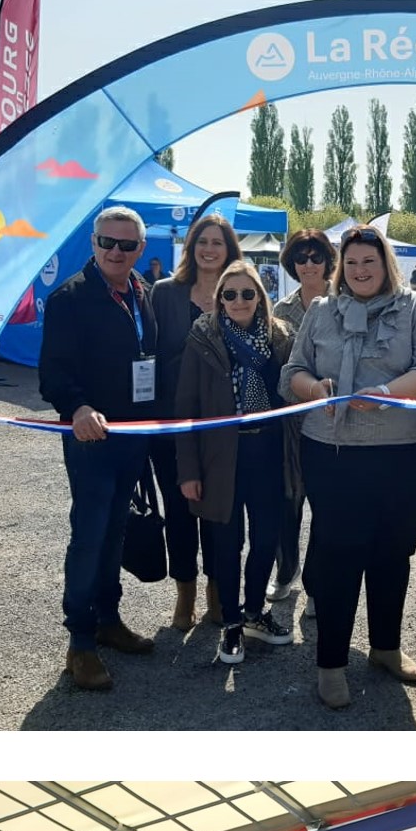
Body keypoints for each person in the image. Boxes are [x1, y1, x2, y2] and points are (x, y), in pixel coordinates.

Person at [284, 225, 416, 709]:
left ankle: (385, 647)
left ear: (386, 266)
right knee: (338, 557)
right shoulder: (320, 311)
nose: (360, 271)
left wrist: (385, 395)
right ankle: (331, 664)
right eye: (352, 263)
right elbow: (292, 372)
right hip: (333, 455)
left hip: (404, 454)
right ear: (342, 267)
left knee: (392, 554)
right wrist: (316, 390)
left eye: (369, 263)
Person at [39, 205, 170, 693]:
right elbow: (53, 372)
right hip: (92, 441)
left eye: (127, 245)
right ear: (94, 243)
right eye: (107, 243)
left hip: (134, 438)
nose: (117, 252)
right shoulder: (69, 298)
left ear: (141, 249)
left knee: (116, 532)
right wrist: (76, 408)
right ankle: (80, 640)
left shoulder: (143, 293)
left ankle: (109, 620)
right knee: (90, 536)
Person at [172, 258, 296, 668]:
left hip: (268, 453)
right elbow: (185, 407)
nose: (239, 300)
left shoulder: (280, 338)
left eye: (248, 293)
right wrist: (188, 471)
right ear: (219, 299)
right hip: (220, 456)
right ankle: (229, 623)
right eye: (230, 294)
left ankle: (255, 610)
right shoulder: (203, 339)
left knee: (265, 539)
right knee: (226, 544)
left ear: (260, 297)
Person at [146, 216, 240, 633]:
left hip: (223, 426)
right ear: (191, 246)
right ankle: (184, 592)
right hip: (172, 421)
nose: (209, 249)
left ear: (229, 249)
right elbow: (148, 352)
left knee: (219, 512)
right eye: (203, 241)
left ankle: (217, 591)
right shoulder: (165, 293)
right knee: (180, 509)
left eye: (218, 242)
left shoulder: (239, 291)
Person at [263, 228, 337, 624]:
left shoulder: (344, 304)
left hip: (333, 422)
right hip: (291, 423)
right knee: (287, 503)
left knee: (327, 506)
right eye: (300, 258)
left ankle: (318, 584)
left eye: (315, 256)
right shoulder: (279, 311)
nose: (308, 264)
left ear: (328, 261)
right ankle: (286, 573)